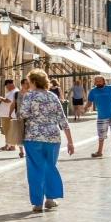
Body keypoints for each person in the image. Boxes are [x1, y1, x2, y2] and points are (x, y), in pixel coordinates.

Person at [18, 69, 73, 211]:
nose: (28, 85)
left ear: (35, 82)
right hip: (53, 137)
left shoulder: (29, 97)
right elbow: (63, 120)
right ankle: (50, 199)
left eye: (29, 82)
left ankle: (37, 203)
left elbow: (22, 114)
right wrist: (70, 142)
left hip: (33, 137)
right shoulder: (53, 97)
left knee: (35, 169)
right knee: (50, 167)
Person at [86, 73, 111, 158]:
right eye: (96, 81)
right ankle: (99, 152)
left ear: (103, 81)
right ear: (95, 83)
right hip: (101, 116)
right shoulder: (93, 91)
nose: (98, 83)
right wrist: (84, 108)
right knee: (101, 135)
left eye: (99, 81)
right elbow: (89, 102)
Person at [0, 78, 19, 152]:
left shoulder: (14, 92)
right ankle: (9, 145)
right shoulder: (11, 92)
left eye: (6, 86)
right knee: (7, 131)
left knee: (8, 131)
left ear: (9, 84)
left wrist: (0, 98)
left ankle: (10, 146)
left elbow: (8, 101)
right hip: (6, 114)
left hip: (8, 115)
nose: (6, 87)